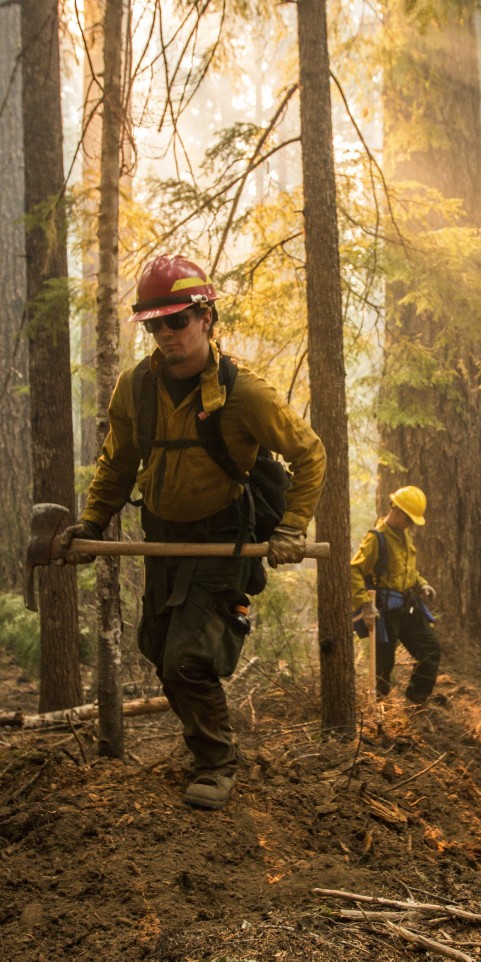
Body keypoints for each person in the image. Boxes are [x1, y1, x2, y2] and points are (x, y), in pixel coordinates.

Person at [59, 254, 326, 810]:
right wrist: (91, 522)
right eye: (154, 325)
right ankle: (205, 745)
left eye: (176, 321)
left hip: (224, 540)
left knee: (187, 657)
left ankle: (216, 762)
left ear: (207, 318)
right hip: (164, 539)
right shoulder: (135, 388)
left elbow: (310, 453)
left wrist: (293, 527)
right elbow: (117, 462)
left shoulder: (244, 393)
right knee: (157, 648)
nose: (165, 335)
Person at [350, 485, 440, 705]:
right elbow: (354, 571)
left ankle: (416, 701)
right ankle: (377, 710)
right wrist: (364, 605)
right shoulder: (376, 538)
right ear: (397, 510)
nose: (411, 524)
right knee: (383, 666)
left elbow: (408, 570)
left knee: (430, 650)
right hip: (384, 611)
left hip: (408, 606)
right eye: (409, 519)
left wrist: (421, 584)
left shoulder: (405, 536)